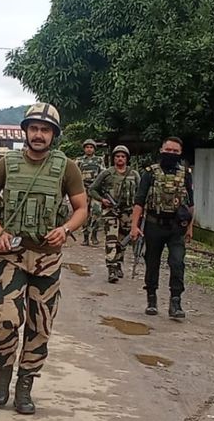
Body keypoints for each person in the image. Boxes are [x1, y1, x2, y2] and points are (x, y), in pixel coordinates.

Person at [0, 103, 88, 415]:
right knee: (8, 318)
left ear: (54, 134)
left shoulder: (67, 167)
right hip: (11, 255)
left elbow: (82, 208)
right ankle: (3, 372)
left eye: (45, 129)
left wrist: (65, 229)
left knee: (40, 325)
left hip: (47, 259)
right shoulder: (7, 163)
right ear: (25, 131)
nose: (39, 135)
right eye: (34, 128)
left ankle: (25, 384)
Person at [129, 137, 194, 320]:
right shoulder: (150, 173)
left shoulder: (185, 174)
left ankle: (176, 301)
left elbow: (191, 203)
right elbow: (139, 201)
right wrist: (134, 226)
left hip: (176, 227)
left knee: (177, 262)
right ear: (161, 150)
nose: (171, 154)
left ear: (180, 153)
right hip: (153, 225)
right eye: (168, 150)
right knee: (152, 262)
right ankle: (151, 298)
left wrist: (190, 227)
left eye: (175, 151)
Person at [89, 145, 140, 283]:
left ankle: (118, 264)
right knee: (111, 239)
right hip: (111, 211)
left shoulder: (134, 174)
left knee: (122, 241)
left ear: (127, 158)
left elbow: (141, 194)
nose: (120, 159)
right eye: (117, 156)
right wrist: (102, 200)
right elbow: (92, 189)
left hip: (128, 212)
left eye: (123, 156)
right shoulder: (107, 173)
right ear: (113, 158)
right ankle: (111, 268)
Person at [76, 139, 106, 246]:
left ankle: (94, 234)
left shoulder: (99, 160)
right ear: (84, 149)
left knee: (97, 212)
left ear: (94, 149)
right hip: (83, 190)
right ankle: (85, 237)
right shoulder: (79, 160)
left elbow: (103, 174)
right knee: (84, 214)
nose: (89, 149)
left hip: (95, 190)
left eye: (91, 147)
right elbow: (75, 175)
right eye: (87, 147)